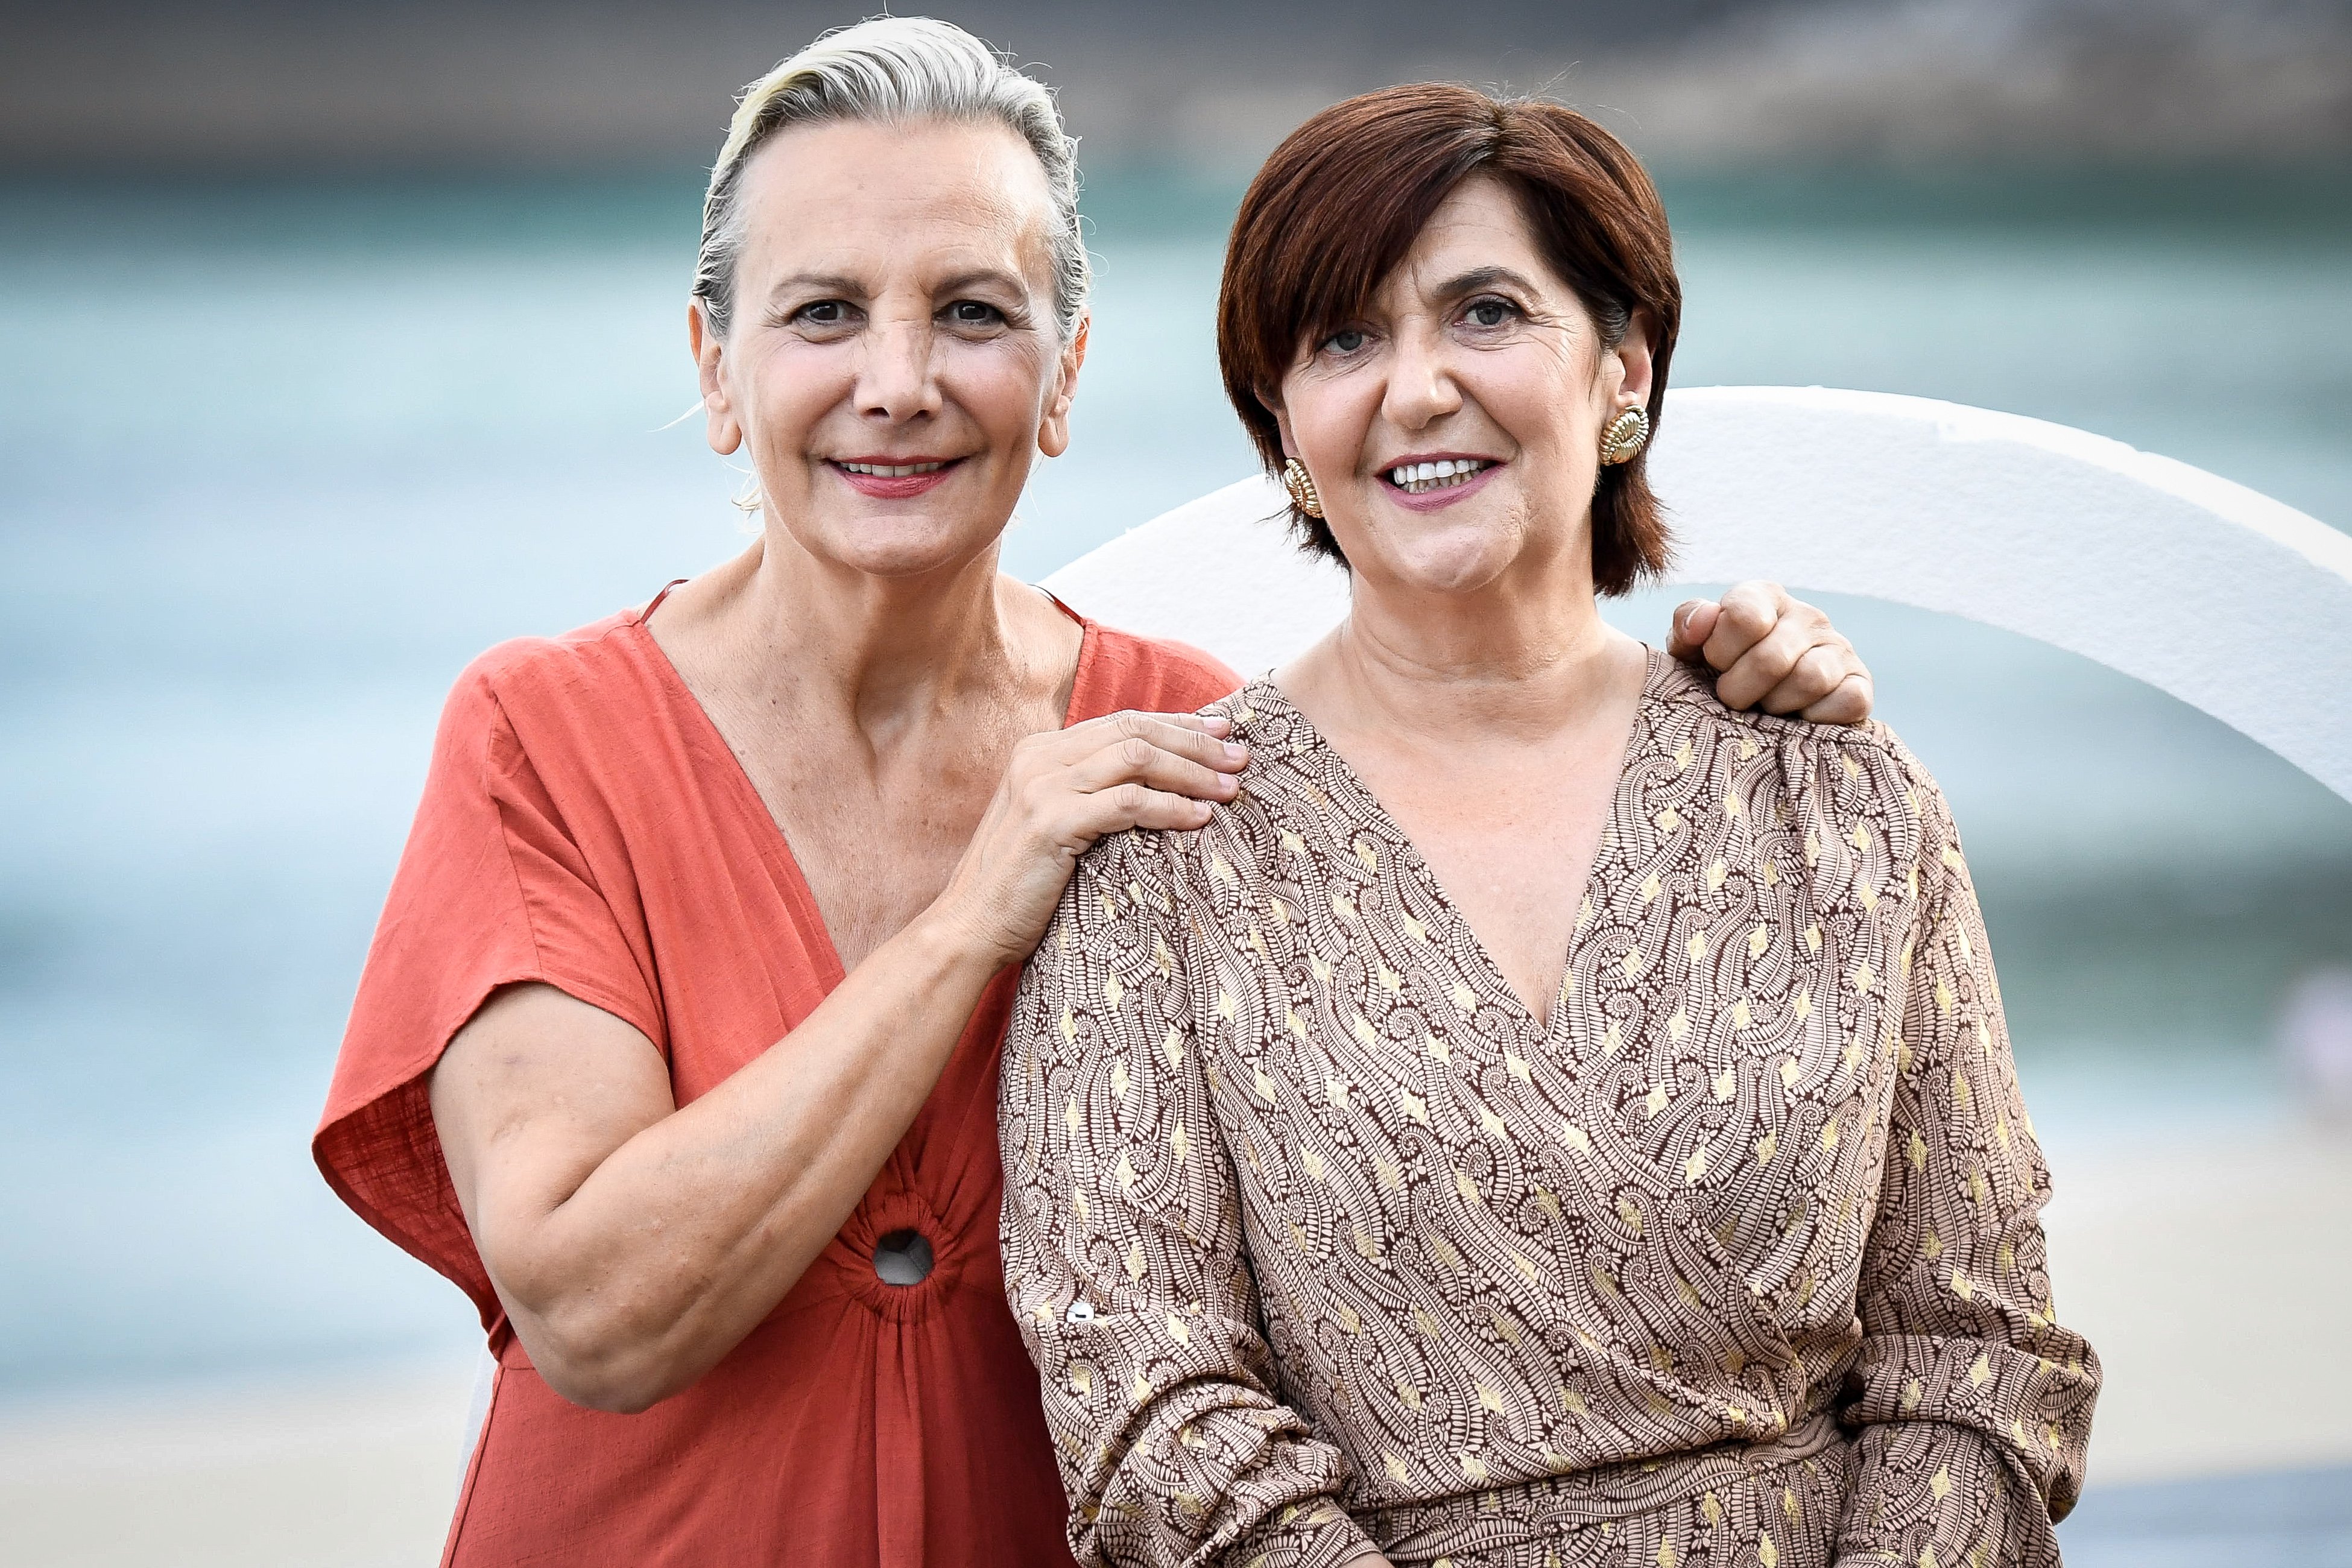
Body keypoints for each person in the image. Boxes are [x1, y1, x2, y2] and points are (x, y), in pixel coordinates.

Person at [314, 20, 1880, 1566]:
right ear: (717, 367)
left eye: (973, 314)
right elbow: (592, 1315)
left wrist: (1741, 727)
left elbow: (1495, 1152)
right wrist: (968, 925)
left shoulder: (1185, 736)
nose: (899, 381)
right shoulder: (543, 736)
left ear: (1060, 377)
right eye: (822, 314)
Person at [1001, 82, 2099, 1568]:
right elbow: (1147, 1399)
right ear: (1283, 427)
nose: (1417, 389)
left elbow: (1975, 1340)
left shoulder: (1838, 798)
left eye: (1487, 313)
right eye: (1343, 339)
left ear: (1623, 370)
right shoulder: (1160, 851)